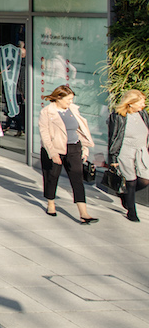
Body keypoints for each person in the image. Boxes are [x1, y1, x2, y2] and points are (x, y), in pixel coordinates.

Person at [38, 84, 97, 223]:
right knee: (52, 176)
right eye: (68, 99)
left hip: (74, 147)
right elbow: (44, 134)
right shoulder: (47, 112)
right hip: (55, 149)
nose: (70, 102)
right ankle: (51, 203)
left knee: (77, 179)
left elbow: (81, 130)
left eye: (71, 99)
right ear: (59, 98)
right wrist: (52, 153)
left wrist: (85, 149)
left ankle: (84, 213)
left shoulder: (73, 110)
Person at [107, 89, 149, 222]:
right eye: (141, 102)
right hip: (125, 151)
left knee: (145, 179)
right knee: (130, 180)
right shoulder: (118, 116)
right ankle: (132, 211)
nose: (144, 105)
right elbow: (113, 138)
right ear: (131, 103)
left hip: (141, 151)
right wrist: (113, 158)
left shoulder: (143, 114)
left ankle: (124, 194)